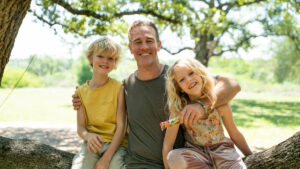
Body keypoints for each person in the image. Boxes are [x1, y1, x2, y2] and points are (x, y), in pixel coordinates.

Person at [73, 20, 242, 169]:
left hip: (175, 163)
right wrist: (80, 98)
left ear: (158, 45)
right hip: (136, 164)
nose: (144, 46)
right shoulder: (126, 86)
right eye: (138, 42)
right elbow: (104, 104)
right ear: (131, 48)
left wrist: (201, 104)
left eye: (149, 41)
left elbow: (232, 85)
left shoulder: (178, 78)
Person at [162, 58, 252, 169]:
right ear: (180, 89)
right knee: (173, 158)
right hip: (196, 153)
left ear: (200, 74)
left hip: (222, 151)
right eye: (182, 80)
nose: (189, 80)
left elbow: (235, 134)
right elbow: (168, 145)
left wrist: (251, 155)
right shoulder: (179, 111)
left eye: (191, 73)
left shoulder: (220, 104)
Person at [71, 37, 127, 169]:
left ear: (115, 63)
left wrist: (106, 158)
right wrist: (88, 136)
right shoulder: (81, 93)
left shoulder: (119, 88)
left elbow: (121, 126)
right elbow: (81, 128)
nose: (105, 61)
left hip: (116, 145)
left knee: (116, 166)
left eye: (110, 58)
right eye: (100, 56)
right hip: (91, 144)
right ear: (91, 59)